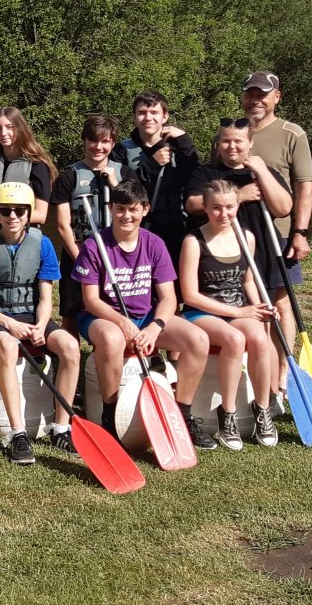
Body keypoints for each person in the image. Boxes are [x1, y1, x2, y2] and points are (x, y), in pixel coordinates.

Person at [72, 180, 216, 452]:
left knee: (198, 339)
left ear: (145, 209)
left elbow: (168, 298)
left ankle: (182, 415)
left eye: (133, 209)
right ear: (111, 209)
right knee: (113, 339)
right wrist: (121, 322)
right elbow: (91, 300)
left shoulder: (154, 244)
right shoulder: (94, 245)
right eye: (120, 209)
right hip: (102, 318)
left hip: (146, 317)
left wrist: (154, 327)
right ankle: (110, 415)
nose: (126, 216)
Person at [0, 184, 82, 463]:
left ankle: (61, 428)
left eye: (19, 211)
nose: (13, 216)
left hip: (31, 316)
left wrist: (41, 325)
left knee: (70, 346)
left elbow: (45, 297)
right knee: (8, 347)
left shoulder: (43, 244)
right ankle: (17, 434)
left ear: (29, 213)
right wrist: (9, 324)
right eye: (5, 211)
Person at [183, 117, 295, 397]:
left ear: (250, 143)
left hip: (260, 252)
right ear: (218, 144)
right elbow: (193, 204)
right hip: (221, 256)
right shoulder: (206, 173)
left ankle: (275, 387)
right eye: (226, 141)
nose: (232, 146)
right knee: (242, 321)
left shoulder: (263, 172)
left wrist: (261, 171)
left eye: (238, 141)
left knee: (266, 322)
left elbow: (283, 208)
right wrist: (240, 195)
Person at [178, 179, 280, 450]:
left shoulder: (247, 238)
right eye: (216, 208)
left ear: (238, 206)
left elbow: (248, 280)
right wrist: (238, 311)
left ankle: (263, 409)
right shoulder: (193, 241)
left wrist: (261, 307)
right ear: (205, 208)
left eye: (229, 207)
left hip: (237, 309)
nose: (223, 214)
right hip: (200, 312)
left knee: (259, 338)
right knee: (234, 339)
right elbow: (190, 295)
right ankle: (228, 413)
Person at [241, 71, 312, 361]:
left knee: (281, 302)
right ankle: (256, 364)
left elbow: (304, 188)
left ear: (276, 97)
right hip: (239, 233)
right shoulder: (232, 133)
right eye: (250, 94)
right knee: (246, 300)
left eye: (262, 95)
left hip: (278, 233)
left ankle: (284, 369)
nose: (255, 100)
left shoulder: (292, 133)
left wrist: (300, 233)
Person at [49, 114, 122, 336]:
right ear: (84, 141)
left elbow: (135, 211)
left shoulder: (125, 173)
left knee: (117, 309)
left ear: (113, 143)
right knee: (70, 312)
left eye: (105, 141)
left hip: (116, 255)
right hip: (78, 253)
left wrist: (115, 185)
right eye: (93, 140)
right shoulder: (69, 176)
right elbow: (62, 225)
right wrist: (81, 259)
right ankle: (70, 354)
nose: (98, 147)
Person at [116, 91, 198, 262]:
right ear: (134, 117)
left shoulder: (180, 146)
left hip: (176, 227)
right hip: (138, 226)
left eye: (154, 112)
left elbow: (194, 180)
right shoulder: (121, 150)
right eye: (142, 113)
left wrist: (185, 140)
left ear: (165, 116)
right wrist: (153, 164)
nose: (148, 118)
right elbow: (121, 190)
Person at [0, 107, 53, 227]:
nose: (3, 133)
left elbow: (41, 216)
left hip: (22, 235)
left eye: (10, 127)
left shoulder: (37, 166)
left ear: (20, 129)